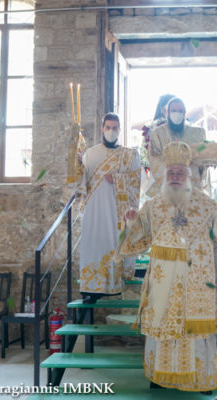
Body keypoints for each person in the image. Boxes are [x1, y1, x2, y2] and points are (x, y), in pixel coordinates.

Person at [117, 142, 217, 393]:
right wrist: (132, 222)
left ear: (189, 175)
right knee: (162, 326)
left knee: (195, 330)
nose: (175, 176)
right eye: (171, 173)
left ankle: (200, 380)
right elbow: (140, 237)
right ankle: (160, 377)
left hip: (196, 279)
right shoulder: (153, 205)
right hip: (163, 280)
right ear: (165, 175)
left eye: (180, 172)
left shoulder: (206, 204)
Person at [75, 112, 141, 303]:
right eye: (108, 127)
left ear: (119, 130)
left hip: (116, 211)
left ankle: (112, 285)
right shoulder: (90, 154)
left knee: (113, 245)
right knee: (93, 245)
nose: (111, 131)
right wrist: (77, 166)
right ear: (102, 128)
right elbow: (81, 183)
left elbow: (137, 182)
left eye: (114, 128)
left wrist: (118, 179)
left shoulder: (130, 155)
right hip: (94, 210)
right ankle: (91, 289)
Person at [148, 97, 207, 194]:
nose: (177, 113)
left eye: (180, 111)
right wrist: (174, 169)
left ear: (184, 113)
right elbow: (154, 159)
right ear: (167, 113)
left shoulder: (197, 133)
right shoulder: (158, 133)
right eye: (174, 111)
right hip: (168, 185)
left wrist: (204, 161)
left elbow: (203, 154)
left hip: (191, 185)